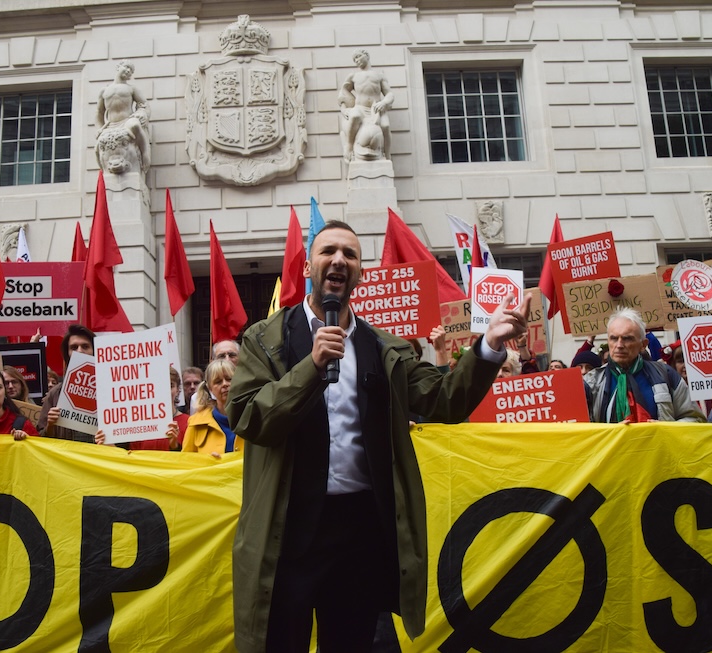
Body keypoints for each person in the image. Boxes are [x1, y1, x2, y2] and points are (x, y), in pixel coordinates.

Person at [226, 220, 530, 652]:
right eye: (328, 251)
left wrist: (489, 347)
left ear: (359, 274)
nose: (338, 260)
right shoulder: (266, 339)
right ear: (307, 265)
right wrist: (311, 368)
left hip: (360, 529)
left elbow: (444, 399)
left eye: (350, 255)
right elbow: (249, 416)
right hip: (288, 527)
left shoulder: (384, 347)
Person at [583, 308, 704, 423]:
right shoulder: (590, 383)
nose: (619, 345)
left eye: (627, 339)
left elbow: (696, 420)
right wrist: (612, 434)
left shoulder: (666, 375)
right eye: (614, 338)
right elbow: (579, 432)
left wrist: (665, 429)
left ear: (643, 345)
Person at [38, 324, 97, 442]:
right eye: (74, 347)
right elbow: (40, 438)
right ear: (67, 353)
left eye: (85, 346)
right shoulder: (55, 394)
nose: (80, 351)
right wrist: (50, 425)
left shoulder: (112, 391)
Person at [95, 60, 151, 174]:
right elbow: (99, 112)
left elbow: (144, 105)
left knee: (135, 125)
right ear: (118, 67)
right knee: (97, 147)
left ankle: (145, 153)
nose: (129, 71)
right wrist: (99, 128)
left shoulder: (131, 89)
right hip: (110, 125)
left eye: (131, 70)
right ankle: (103, 168)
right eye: (127, 67)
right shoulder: (104, 91)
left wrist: (142, 114)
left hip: (127, 121)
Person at [338, 49, 394, 162]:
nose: (356, 61)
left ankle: (387, 155)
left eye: (358, 57)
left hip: (376, 109)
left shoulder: (379, 75)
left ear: (366, 56)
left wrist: (384, 103)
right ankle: (349, 146)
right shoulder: (353, 76)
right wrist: (344, 110)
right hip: (360, 108)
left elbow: (389, 94)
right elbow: (343, 94)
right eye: (354, 59)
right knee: (354, 117)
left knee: (386, 126)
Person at [182, 359, 242, 458]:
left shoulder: (252, 417)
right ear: (210, 388)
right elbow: (185, 463)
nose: (225, 384)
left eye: (229, 379)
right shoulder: (195, 423)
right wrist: (207, 463)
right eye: (218, 382)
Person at [131, 367, 188, 451]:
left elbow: (191, 460)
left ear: (177, 390)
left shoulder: (189, 423)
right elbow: (130, 459)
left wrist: (174, 446)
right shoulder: (139, 425)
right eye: (159, 386)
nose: (165, 391)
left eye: (170, 386)